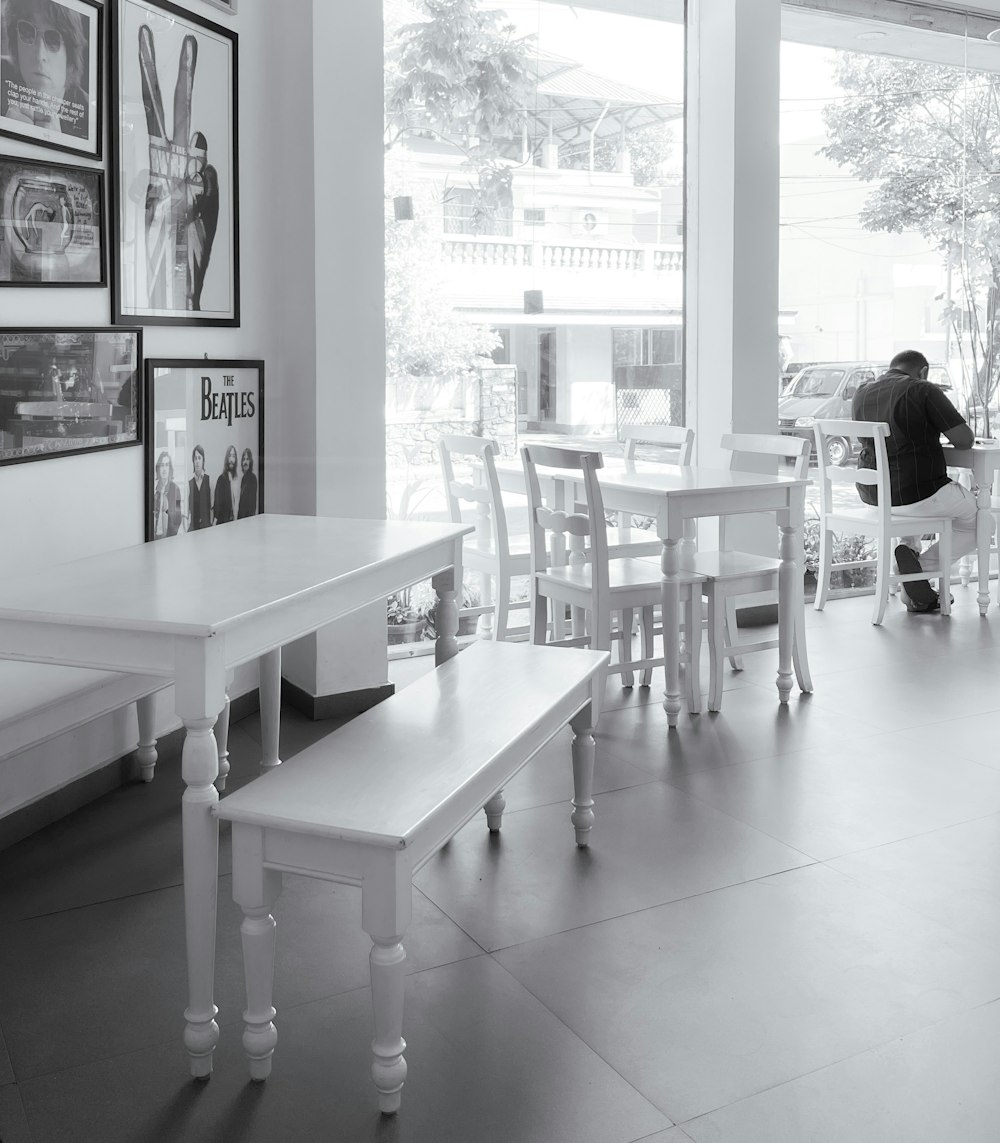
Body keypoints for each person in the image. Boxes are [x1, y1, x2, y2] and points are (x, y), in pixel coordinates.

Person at [852, 348, 976, 613]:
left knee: (918, 504)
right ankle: (920, 573)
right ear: (923, 372)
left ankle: (914, 586)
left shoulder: (862, 391)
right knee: (980, 522)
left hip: (874, 496)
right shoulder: (922, 389)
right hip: (917, 494)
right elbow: (964, 440)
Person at [0, 0, 90, 138]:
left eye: (53, 39)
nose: (39, 55)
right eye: (27, 31)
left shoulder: (91, 118)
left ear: (70, 56)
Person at [151, 450, 182, 539]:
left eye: (166, 465)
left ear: (169, 468)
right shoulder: (155, 490)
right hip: (155, 536)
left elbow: (178, 517)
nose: (164, 469)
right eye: (162, 465)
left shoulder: (176, 489)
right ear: (158, 468)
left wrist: (172, 535)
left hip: (169, 537)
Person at [213, 444, 239, 525]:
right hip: (224, 523)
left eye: (233, 456)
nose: (231, 459)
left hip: (236, 522)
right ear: (226, 458)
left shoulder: (237, 479)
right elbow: (217, 504)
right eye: (230, 456)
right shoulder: (221, 479)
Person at [187, 444, 211, 530]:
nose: (197, 461)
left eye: (199, 458)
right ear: (193, 461)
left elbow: (211, 507)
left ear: (203, 460)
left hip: (207, 527)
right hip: (194, 529)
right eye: (195, 458)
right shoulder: (190, 483)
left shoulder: (208, 480)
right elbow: (188, 510)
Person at [236, 447, 257, 519]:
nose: (245, 462)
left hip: (247, 521)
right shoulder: (243, 479)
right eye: (244, 459)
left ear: (250, 462)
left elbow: (252, 505)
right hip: (242, 520)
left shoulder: (252, 478)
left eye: (247, 459)